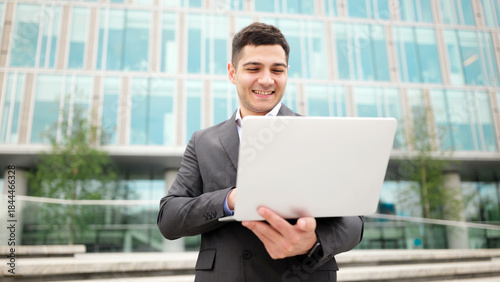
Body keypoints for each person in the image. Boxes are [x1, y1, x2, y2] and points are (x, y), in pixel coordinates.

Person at [157, 22, 364, 282]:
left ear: (287, 73)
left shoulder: (318, 134)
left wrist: (314, 241)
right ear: (232, 73)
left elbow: (354, 221)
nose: (266, 80)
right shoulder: (203, 142)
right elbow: (170, 217)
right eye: (253, 68)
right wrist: (231, 200)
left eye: (277, 70)